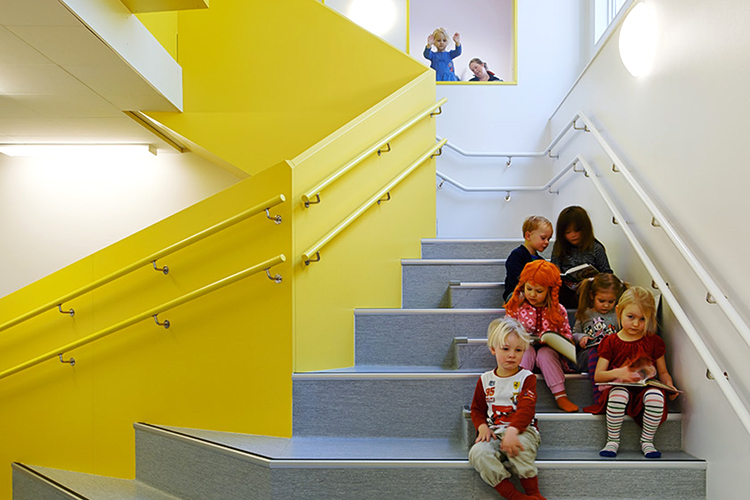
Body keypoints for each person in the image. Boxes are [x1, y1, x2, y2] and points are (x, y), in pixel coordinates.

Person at [587, 286, 678, 458]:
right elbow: (599, 375)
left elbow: (663, 372)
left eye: (642, 319)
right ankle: (612, 440)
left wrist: (669, 385)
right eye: (630, 317)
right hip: (619, 387)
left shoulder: (653, 341)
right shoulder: (610, 341)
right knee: (618, 395)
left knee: (656, 397)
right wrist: (620, 373)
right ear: (618, 312)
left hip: (644, 388)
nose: (636, 324)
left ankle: (647, 441)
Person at [469, 317, 547, 500]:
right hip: (495, 432)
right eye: (505, 349)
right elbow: (477, 409)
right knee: (477, 453)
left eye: (518, 350)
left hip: (523, 430)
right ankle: (513, 496)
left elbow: (526, 410)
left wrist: (513, 431)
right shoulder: (485, 380)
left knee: (520, 447)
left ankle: (533, 492)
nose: (512, 354)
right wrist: (481, 426)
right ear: (493, 349)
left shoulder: (527, 378)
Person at [504, 260, 579, 412]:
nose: (532, 294)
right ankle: (515, 392)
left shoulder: (559, 310)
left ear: (550, 291)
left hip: (550, 354)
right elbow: (505, 329)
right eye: (529, 289)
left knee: (545, 354)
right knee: (526, 350)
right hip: (523, 349)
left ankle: (560, 395)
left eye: (538, 291)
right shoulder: (517, 306)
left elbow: (566, 334)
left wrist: (555, 339)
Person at [572, 274, 627, 404]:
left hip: (611, 354)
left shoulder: (618, 314)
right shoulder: (585, 313)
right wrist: (582, 337)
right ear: (592, 295)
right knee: (597, 351)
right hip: (589, 354)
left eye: (611, 302)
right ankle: (599, 396)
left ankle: (618, 394)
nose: (606, 305)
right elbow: (573, 334)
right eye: (601, 301)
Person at [551, 206, 613, 308]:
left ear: (585, 229)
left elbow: (607, 272)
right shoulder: (559, 246)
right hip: (566, 290)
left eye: (577, 231)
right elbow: (555, 266)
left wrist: (596, 279)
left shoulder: (596, 248)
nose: (573, 235)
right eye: (568, 232)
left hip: (590, 290)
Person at [503, 216, 553, 302]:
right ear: (528, 236)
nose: (547, 242)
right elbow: (514, 277)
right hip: (516, 292)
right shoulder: (517, 255)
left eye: (549, 239)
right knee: (521, 297)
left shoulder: (541, 261)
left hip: (535, 293)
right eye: (543, 238)